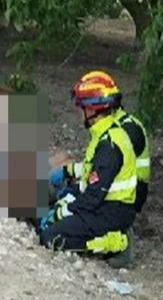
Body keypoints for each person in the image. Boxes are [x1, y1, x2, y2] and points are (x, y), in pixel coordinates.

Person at [39, 71, 140, 258]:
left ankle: (116, 243)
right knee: (56, 213)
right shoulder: (105, 134)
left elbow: (93, 196)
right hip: (107, 206)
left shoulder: (109, 145)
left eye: (81, 106)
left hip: (109, 213)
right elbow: (90, 172)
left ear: (93, 109)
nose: (79, 112)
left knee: (50, 237)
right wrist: (66, 174)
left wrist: (62, 212)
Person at [54, 70, 150, 212]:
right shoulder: (109, 125)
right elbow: (98, 165)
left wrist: (73, 197)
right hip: (111, 186)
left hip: (125, 197)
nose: (79, 111)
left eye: (83, 107)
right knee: (64, 165)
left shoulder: (125, 130)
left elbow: (105, 168)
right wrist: (68, 171)